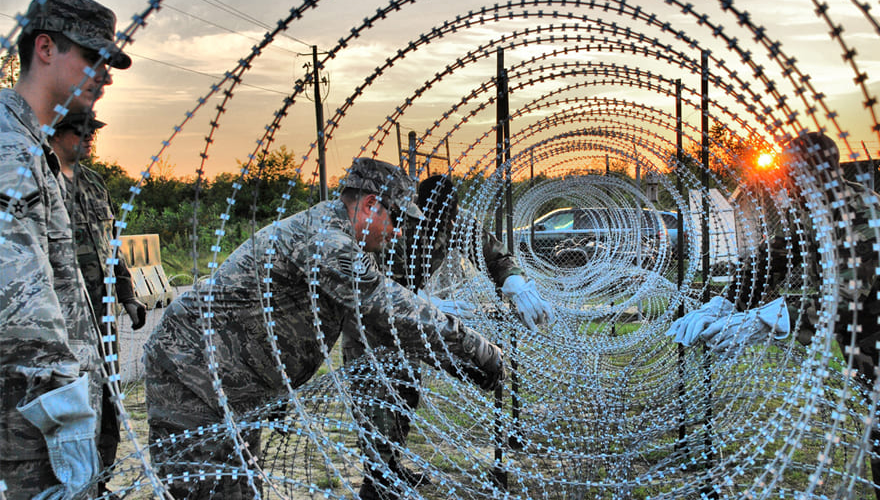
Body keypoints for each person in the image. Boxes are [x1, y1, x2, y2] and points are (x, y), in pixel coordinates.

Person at [143, 157, 505, 499]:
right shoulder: (327, 243)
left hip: (232, 385)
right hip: (192, 375)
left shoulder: (341, 237)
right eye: (395, 219)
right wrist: (481, 354)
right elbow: (392, 310)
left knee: (241, 488)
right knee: (211, 489)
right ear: (370, 205)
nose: (397, 233)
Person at [668, 131, 880, 496]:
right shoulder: (813, 210)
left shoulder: (858, 210)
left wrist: (769, 319)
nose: (786, 182)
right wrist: (723, 303)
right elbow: (771, 260)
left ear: (818, 170)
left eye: (793, 173)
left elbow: (849, 298)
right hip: (859, 341)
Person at [343, 173, 553, 499]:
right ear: (419, 208)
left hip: (408, 319)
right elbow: (370, 280)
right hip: (370, 320)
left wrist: (515, 282)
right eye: (436, 217)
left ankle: (392, 464)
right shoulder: (396, 223)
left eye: (449, 217)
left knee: (406, 388)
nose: (444, 224)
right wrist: (425, 302)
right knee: (377, 397)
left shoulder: (453, 221)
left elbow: (492, 253)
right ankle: (376, 482)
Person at [0, 0, 131, 500]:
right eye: (92, 57)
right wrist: (69, 421)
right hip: (28, 422)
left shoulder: (31, 147)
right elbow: (21, 309)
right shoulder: (11, 150)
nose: (105, 74)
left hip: (41, 414)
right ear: (46, 48)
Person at [49, 109, 147, 497]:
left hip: (103, 317)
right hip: (63, 321)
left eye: (94, 131)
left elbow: (112, 247)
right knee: (71, 405)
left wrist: (128, 294)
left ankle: (99, 482)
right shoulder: (42, 183)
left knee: (109, 401)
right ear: (58, 132)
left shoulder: (93, 183)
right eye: (82, 131)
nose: (91, 138)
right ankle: (69, 486)